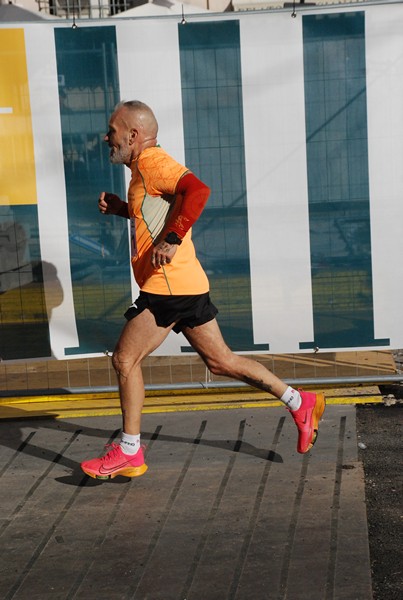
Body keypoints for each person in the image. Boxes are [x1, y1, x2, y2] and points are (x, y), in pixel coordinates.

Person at [80, 101, 325, 480]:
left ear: (133, 135)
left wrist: (174, 237)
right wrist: (121, 210)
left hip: (169, 286)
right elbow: (156, 209)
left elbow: (197, 190)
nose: (106, 138)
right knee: (221, 362)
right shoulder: (142, 171)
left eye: (112, 131)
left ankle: (130, 450)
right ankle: (300, 401)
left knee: (125, 360)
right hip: (186, 283)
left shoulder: (153, 162)